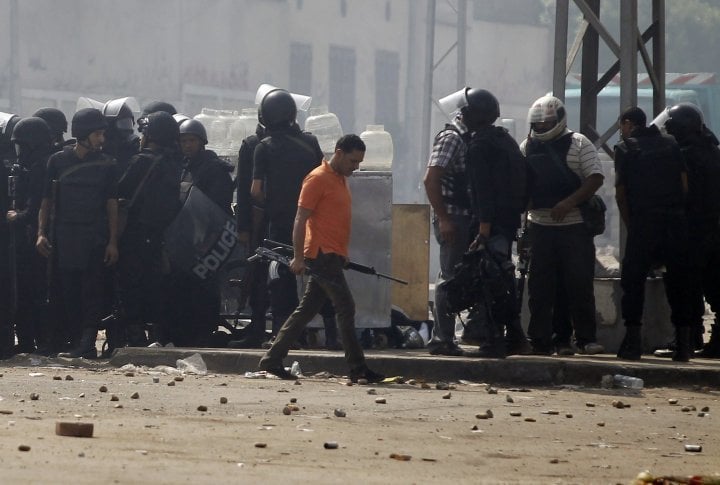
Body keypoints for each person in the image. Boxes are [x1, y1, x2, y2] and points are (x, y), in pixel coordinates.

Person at [258, 135, 383, 382]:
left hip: (333, 255)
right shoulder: (317, 178)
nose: (355, 167)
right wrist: (298, 257)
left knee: (306, 311)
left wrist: (342, 255)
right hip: (321, 255)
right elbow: (300, 220)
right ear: (338, 153)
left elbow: (334, 221)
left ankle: (272, 359)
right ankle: (358, 368)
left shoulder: (339, 179)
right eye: (352, 161)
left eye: (358, 162)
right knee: (346, 307)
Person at [520, 95, 605, 355]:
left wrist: (568, 203)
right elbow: (522, 184)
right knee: (540, 288)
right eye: (538, 124)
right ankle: (544, 341)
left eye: (547, 123)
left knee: (578, 285)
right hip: (540, 227)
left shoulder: (579, 143)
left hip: (574, 227)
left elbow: (595, 178)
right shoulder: (527, 146)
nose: (542, 128)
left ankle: (585, 339)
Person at [36, 108, 119, 359]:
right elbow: (46, 201)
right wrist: (41, 233)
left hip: (93, 237)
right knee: (67, 291)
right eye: (97, 134)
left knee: (91, 292)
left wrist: (113, 241)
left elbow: (112, 204)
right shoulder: (57, 161)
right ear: (82, 133)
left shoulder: (107, 165)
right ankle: (73, 340)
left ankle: (87, 342)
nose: (101, 139)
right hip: (64, 237)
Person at [614, 106, 693, 361]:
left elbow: (621, 194)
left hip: (644, 223)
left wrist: (632, 224)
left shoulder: (625, 149)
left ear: (627, 124)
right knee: (678, 281)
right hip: (674, 222)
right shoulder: (671, 145)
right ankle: (683, 345)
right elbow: (683, 184)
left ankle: (633, 342)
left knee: (633, 281)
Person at [251, 88, 324, 342]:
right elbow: (321, 179)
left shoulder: (263, 147)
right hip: (313, 221)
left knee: (280, 278)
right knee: (321, 276)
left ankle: (284, 335)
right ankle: (331, 334)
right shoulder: (311, 142)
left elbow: (256, 190)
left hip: (281, 223)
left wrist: (271, 204)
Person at [464, 89, 532, 358]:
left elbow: (482, 190)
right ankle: (515, 338)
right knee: (502, 280)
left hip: (489, 226)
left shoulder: (479, 145)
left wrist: (483, 229)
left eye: (467, 111)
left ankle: (494, 340)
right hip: (507, 222)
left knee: (489, 283)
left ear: (476, 115)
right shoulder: (506, 141)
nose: (462, 115)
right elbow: (527, 178)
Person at [422, 87, 487, 356]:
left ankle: (453, 335)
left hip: (463, 217)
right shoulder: (452, 138)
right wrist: (445, 219)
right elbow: (431, 178)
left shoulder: (465, 137)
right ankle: (442, 339)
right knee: (448, 278)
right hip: (453, 218)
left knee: (458, 276)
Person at [165, 118, 234, 346]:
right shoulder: (182, 167)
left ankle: (205, 333)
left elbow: (220, 210)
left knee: (205, 289)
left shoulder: (214, 169)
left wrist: (210, 241)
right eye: (183, 141)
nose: (187, 145)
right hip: (184, 238)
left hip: (208, 240)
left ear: (202, 142)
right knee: (182, 288)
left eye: (192, 140)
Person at [116, 111, 182, 349]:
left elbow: (120, 190)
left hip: (135, 232)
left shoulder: (143, 160)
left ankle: (134, 336)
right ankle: (157, 335)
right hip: (160, 235)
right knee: (155, 286)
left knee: (131, 285)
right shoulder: (175, 162)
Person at [663, 103, 720, 359]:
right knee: (713, 287)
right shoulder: (713, 152)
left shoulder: (682, 157)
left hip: (691, 231)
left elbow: (678, 194)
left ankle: (686, 342)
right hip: (713, 230)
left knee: (683, 287)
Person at [7, 117, 54, 354]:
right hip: (35, 237)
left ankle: (33, 340)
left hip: (34, 238)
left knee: (30, 292)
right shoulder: (37, 166)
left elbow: (35, 206)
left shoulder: (40, 168)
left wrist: (17, 216)